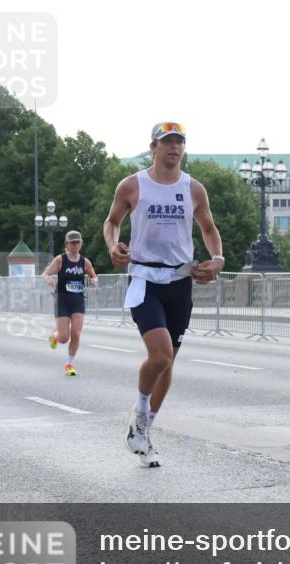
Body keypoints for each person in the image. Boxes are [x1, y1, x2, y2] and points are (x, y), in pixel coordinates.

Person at [102, 122, 225, 467]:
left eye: (179, 142)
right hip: (144, 277)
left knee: (169, 361)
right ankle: (138, 417)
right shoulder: (133, 185)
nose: (174, 147)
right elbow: (111, 222)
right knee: (160, 356)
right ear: (153, 147)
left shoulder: (193, 189)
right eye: (167, 141)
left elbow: (208, 228)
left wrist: (217, 260)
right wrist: (113, 245)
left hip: (180, 280)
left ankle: (144, 434)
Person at [42, 230, 98, 375]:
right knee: (64, 338)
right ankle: (55, 335)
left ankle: (69, 364)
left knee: (77, 333)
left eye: (77, 242)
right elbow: (46, 273)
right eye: (72, 242)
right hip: (62, 300)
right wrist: (49, 280)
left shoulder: (85, 262)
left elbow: (93, 276)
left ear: (81, 244)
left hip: (78, 301)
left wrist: (93, 280)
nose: (75, 244)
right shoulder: (60, 260)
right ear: (67, 244)